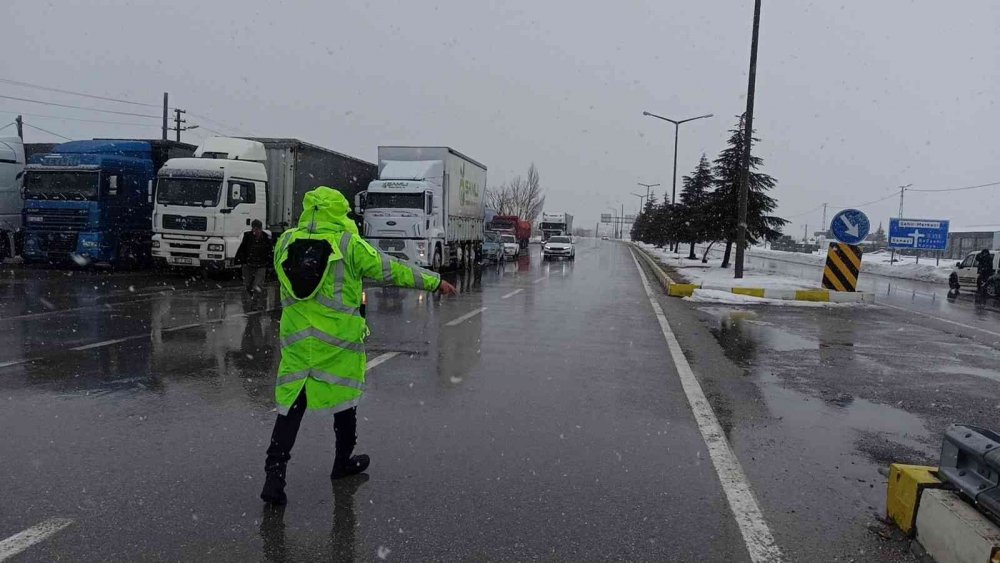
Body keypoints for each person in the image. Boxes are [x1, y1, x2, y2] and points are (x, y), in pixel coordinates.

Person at [261, 186, 457, 505]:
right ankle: (342, 462)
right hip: (338, 341)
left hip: (297, 340)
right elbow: (394, 271)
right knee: (345, 401)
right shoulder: (349, 245)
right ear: (340, 213)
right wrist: (434, 281)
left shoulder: (285, 241)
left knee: (290, 407)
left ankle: (274, 476)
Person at [235, 219, 273, 294]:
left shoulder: (266, 238)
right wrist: (241, 261)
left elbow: (269, 251)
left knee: (257, 286)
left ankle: (257, 301)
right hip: (248, 264)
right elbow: (242, 249)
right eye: (254, 229)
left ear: (261, 229)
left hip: (261, 265)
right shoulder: (247, 236)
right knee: (247, 286)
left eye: (258, 229)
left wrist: (270, 264)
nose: (256, 232)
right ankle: (249, 302)